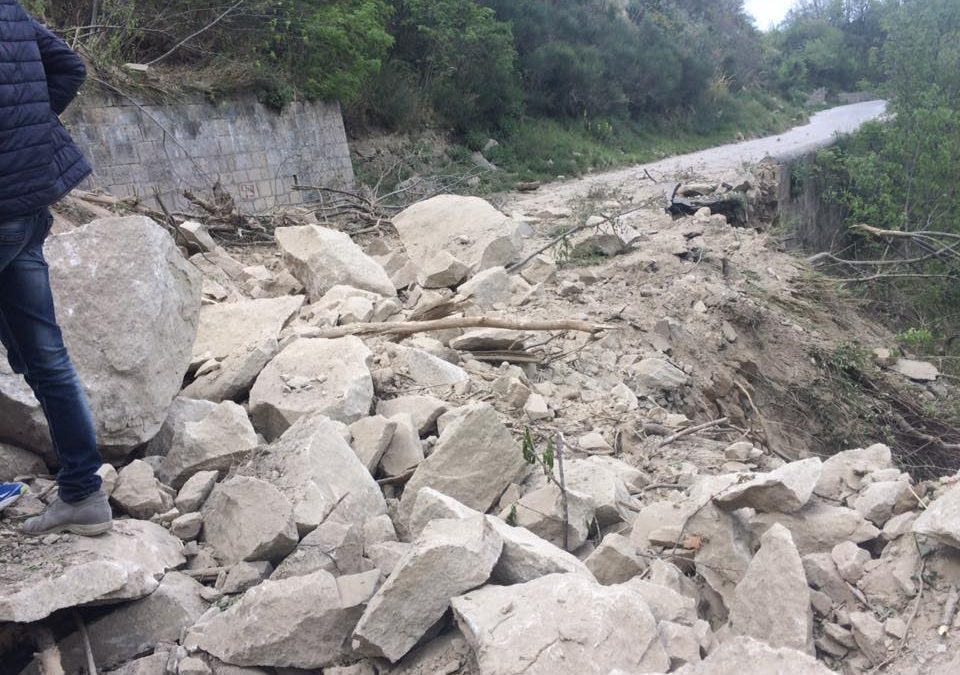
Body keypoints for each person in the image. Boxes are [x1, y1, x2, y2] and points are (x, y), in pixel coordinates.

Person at [0, 0, 112, 536]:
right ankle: (83, 494)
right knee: (44, 354)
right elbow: (69, 67)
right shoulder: (9, 11)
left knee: (42, 353)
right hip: (23, 205)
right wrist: (28, 138)